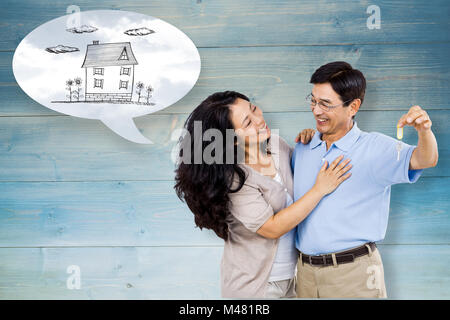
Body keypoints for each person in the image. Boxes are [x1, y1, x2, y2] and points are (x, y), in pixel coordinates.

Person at [174, 91, 352, 298]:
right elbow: (272, 228)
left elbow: (307, 176)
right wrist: (320, 189)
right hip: (255, 288)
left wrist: (311, 142)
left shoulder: (277, 145)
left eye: (253, 108)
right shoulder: (234, 178)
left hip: (295, 279)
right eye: (248, 122)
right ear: (231, 140)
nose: (259, 120)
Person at [292, 61, 439, 298]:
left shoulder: (375, 148)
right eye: (313, 100)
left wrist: (424, 131)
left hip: (354, 275)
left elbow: (426, 159)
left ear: (353, 106)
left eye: (326, 104)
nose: (316, 110)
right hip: (305, 275)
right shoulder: (303, 147)